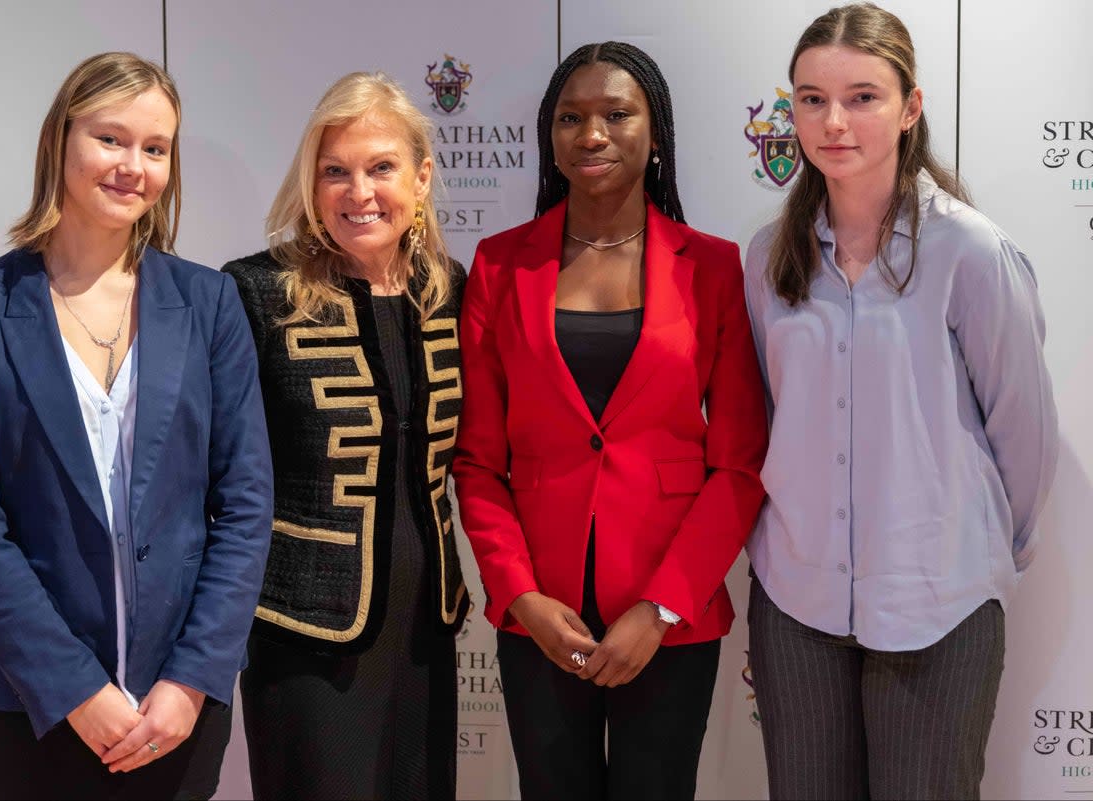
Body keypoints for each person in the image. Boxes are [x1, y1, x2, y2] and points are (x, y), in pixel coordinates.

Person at [0, 52, 273, 801]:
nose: (132, 165)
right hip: (27, 704)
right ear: (61, 140)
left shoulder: (210, 304)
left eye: (155, 147)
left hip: (176, 710)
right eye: (111, 139)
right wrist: (76, 687)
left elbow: (244, 506)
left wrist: (190, 678)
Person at [743, 4, 1059, 799]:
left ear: (910, 106)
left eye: (863, 96)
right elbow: (765, 417)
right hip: (798, 599)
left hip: (939, 602)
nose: (834, 120)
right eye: (811, 99)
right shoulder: (766, 259)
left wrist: (976, 552)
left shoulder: (969, 251)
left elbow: (1024, 432)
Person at [452, 41, 769, 801]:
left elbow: (739, 463)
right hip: (540, 613)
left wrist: (660, 608)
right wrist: (519, 595)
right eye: (570, 118)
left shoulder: (714, 266)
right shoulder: (498, 266)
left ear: (655, 133)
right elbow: (475, 462)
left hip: (667, 614)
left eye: (616, 114)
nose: (591, 134)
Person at [222, 71, 469, 801]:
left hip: (426, 625)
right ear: (310, 183)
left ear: (421, 179)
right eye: (335, 171)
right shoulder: (256, 290)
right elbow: (222, 474)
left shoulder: (446, 287)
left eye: (380, 168)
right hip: (304, 634)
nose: (358, 191)